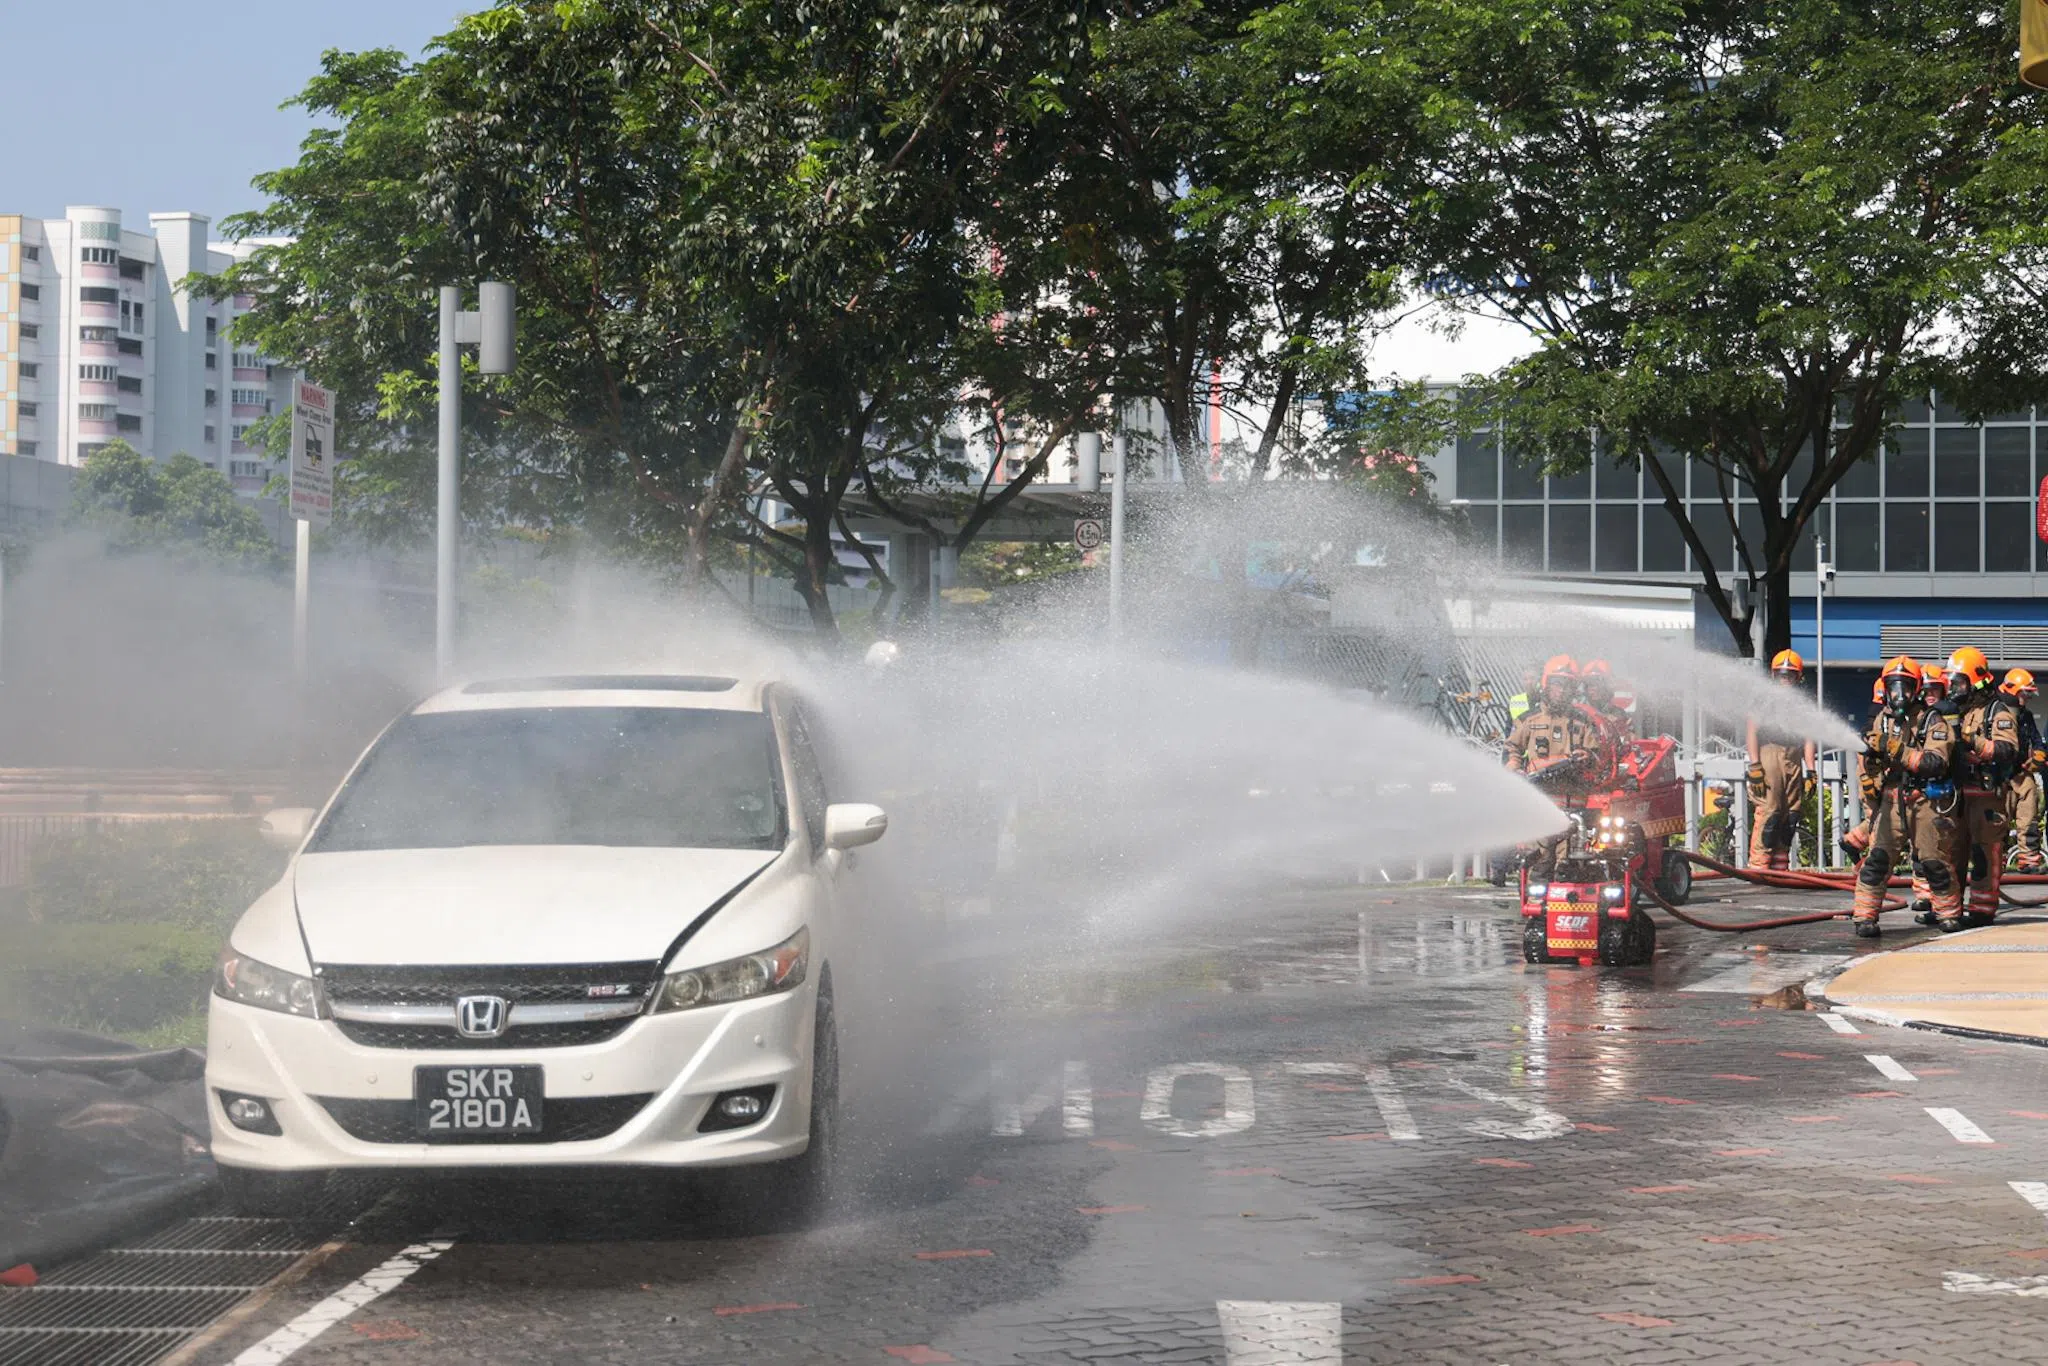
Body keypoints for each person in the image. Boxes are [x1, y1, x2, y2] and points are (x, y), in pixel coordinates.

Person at [1945, 646, 2021, 928]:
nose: (1954, 688)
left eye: (1960, 682)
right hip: (1956, 796)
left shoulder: (1996, 711)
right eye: (1952, 682)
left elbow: (2007, 749)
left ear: (1977, 681)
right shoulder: (1953, 711)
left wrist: (1973, 741)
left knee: (1983, 855)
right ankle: (1948, 910)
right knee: (1950, 853)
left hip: (1986, 797)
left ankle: (1982, 908)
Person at [1504, 655, 1598, 884]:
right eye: (1557, 684)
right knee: (1540, 860)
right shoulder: (1530, 720)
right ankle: (1538, 912)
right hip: (1540, 801)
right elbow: (1512, 748)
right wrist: (1514, 769)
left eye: (1566, 686)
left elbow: (1598, 757)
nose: (1561, 691)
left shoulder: (1583, 721)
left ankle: (1568, 914)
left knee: (1569, 864)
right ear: (1547, 685)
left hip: (1573, 804)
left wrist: (1588, 756)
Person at [1847, 656, 1921, 938]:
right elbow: (1867, 753)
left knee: (1931, 860)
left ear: (1917, 688)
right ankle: (1864, 916)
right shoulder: (1879, 719)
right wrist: (1868, 775)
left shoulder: (1927, 719)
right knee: (1878, 859)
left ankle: (1944, 912)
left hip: (1922, 799)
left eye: (1905, 686)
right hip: (1891, 799)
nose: (1899, 694)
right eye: (1893, 686)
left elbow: (1934, 760)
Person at [1747, 649, 1817, 871]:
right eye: (1782, 674)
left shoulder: (1803, 703)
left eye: (1790, 675)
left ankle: (1780, 866)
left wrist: (1811, 771)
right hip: (1770, 753)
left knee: (1791, 813)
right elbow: (1752, 731)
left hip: (1793, 755)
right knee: (1771, 810)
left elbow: (1809, 737)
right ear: (1774, 675)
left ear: (1798, 677)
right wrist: (1755, 765)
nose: (1785, 679)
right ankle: (1759, 866)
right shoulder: (1764, 699)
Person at [2002, 668, 2045, 873]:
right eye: (2024, 693)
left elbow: (2037, 741)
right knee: (1995, 824)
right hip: (1997, 777)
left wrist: (2038, 756)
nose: (2027, 698)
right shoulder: (1995, 712)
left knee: (2029, 817)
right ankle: (1992, 863)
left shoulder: (2026, 716)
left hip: (2021, 773)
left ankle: (2028, 860)